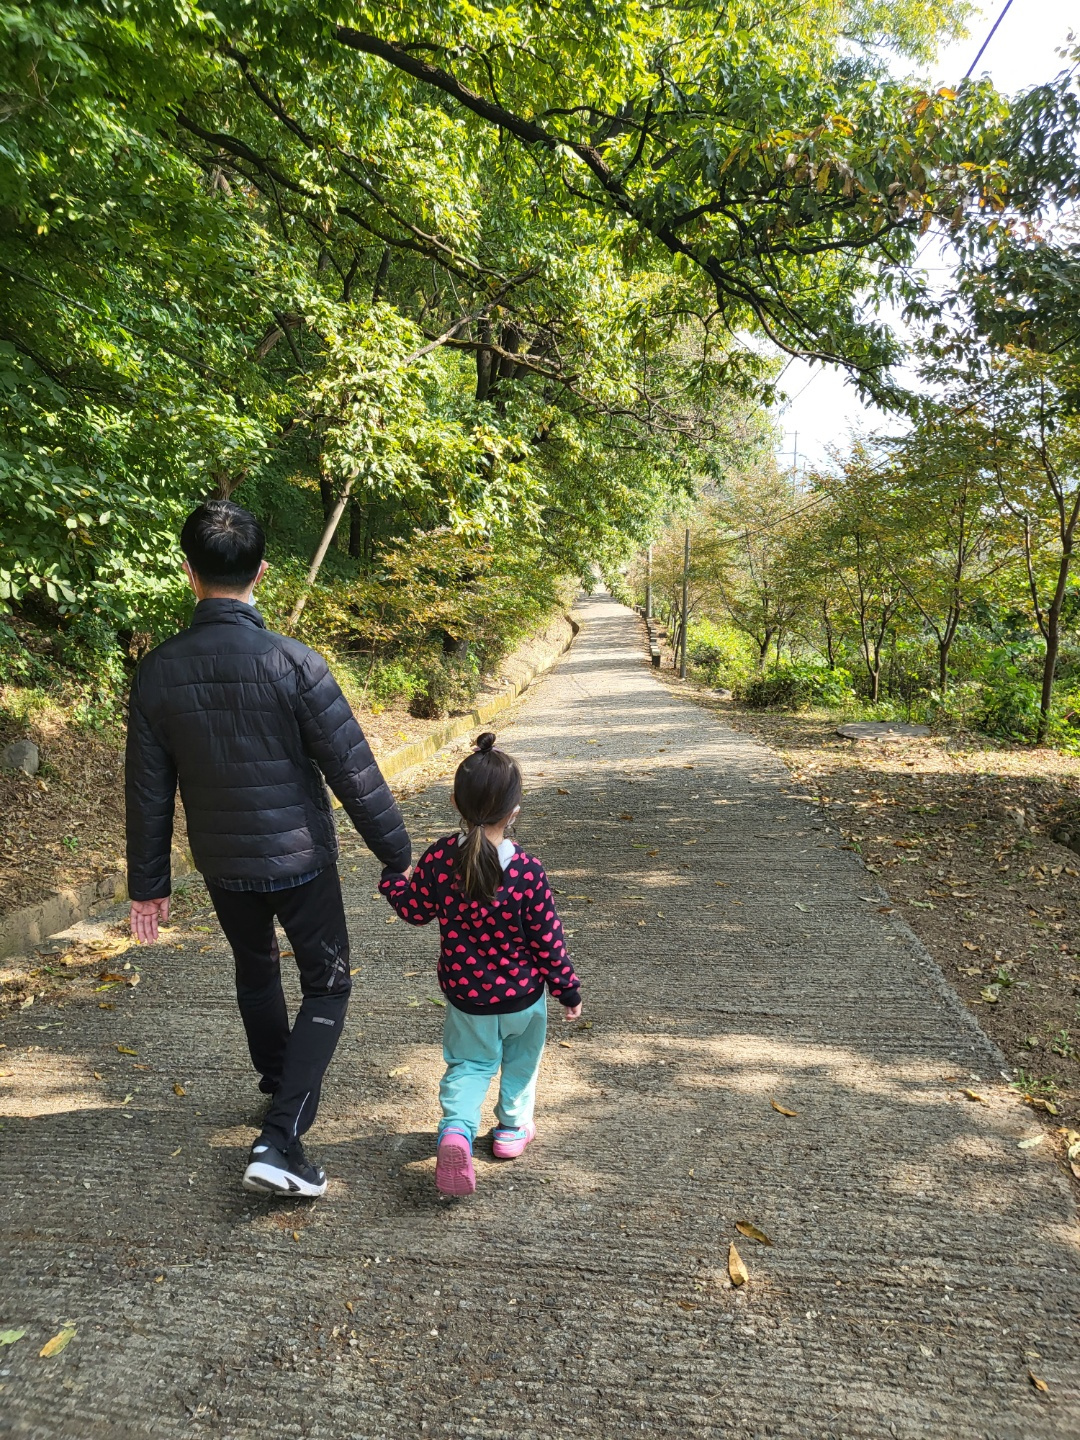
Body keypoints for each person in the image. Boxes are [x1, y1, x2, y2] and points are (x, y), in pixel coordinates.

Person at [125, 499, 410, 1198]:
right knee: (328, 983)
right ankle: (281, 1138)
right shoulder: (296, 663)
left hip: (224, 866)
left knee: (256, 971)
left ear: (189, 573)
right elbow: (355, 772)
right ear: (262, 573)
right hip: (301, 861)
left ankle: (279, 1091)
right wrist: (401, 859)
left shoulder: (158, 672)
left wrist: (148, 884)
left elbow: (148, 791)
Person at [379, 732, 582, 1196]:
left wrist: (393, 882)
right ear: (515, 810)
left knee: (470, 1065)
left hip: (468, 997)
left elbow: (414, 911)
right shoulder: (528, 871)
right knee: (521, 1064)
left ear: (455, 801)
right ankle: (511, 1130)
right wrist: (567, 989)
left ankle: (456, 1130)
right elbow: (548, 940)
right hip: (524, 998)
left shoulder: (437, 860)